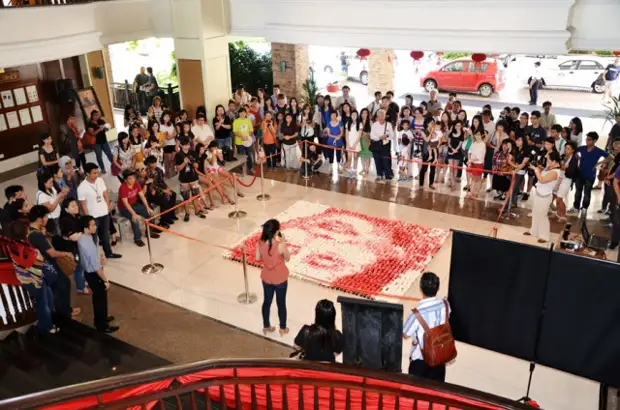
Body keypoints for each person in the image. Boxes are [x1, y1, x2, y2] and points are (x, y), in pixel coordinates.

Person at [28, 205, 75, 321]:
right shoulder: (37, 235)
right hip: (47, 265)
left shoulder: (30, 229)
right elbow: (52, 253)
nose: (47, 219)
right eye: (46, 216)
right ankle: (64, 312)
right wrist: (66, 254)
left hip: (41, 265)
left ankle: (63, 310)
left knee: (58, 286)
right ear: (40, 218)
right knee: (62, 285)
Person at [403, 271, 450, 382]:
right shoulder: (446, 305)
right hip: (439, 359)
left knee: (416, 395)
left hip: (420, 361)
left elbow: (405, 334)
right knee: (435, 394)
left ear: (420, 288)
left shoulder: (416, 314)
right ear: (437, 288)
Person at [77, 215, 119, 333]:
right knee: (100, 299)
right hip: (93, 274)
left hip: (92, 272)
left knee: (100, 298)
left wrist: (101, 256)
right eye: (92, 225)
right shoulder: (86, 243)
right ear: (86, 228)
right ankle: (101, 325)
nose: (95, 227)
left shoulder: (86, 237)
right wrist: (105, 280)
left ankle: (102, 318)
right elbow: (95, 266)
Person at [77, 163, 121, 259]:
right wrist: (88, 220)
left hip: (104, 213)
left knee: (105, 236)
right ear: (87, 173)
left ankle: (108, 253)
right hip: (93, 217)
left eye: (97, 172)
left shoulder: (100, 180)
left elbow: (105, 193)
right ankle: (95, 258)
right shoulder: (82, 187)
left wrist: (108, 204)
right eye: (94, 173)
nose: (96, 175)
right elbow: (83, 206)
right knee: (94, 238)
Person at [255, 219, 290, 337]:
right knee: (281, 303)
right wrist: (283, 242)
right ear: (276, 233)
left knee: (267, 302)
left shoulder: (260, 242)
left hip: (266, 277)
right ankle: (283, 328)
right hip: (280, 277)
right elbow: (288, 258)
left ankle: (266, 326)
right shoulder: (280, 245)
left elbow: (257, 258)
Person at [525, 151, 561, 243]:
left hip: (545, 196)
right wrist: (537, 167)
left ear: (554, 161)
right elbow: (543, 173)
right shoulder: (550, 167)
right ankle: (534, 231)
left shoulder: (555, 172)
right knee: (536, 213)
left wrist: (536, 170)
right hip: (539, 193)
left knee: (542, 216)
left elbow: (542, 180)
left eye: (548, 159)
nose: (547, 161)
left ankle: (544, 236)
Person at [569, 132, 609, 216]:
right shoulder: (582, 148)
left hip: (590, 175)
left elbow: (610, 157)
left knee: (587, 193)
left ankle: (584, 208)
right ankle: (576, 207)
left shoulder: (598, 151)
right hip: (580, 173)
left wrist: (599, 163)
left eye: (589, 139)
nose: (587, 141)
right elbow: (573, 151)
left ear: (595, 140)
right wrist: (578, 158)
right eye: (586, 139)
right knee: (578, 192)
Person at [118, 169, 159, 247]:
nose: (132, 180)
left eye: (133, 177)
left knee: (150, 213)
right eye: (130, 179)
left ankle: (149, 232)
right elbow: (126, 203)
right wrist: (133, 214)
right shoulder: (123, 188)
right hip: (124, 208)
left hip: (134, 204)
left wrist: (147, 208)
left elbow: (142, 196)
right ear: (125, 180)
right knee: (135, 219)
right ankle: (137, 238)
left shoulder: (136, 183)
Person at [175, 138, 208, 222]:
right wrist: (184, 162)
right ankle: (187, 213)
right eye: (185, 145)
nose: (187, 147)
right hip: (184, 179)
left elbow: (197, 166)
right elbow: (178, 168)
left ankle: (197, 211)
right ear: (181, 145)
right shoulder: (178, 155)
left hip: (193, 178)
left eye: (188, 145)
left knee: (196, 196)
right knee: (186, 197)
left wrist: (193, 162)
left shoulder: (193, 153)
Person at [144, 155, 178, 227]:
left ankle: (170, 215)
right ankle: (163, 221)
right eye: (152, 163)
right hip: (150, 192)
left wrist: (167, 188)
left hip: (159, 189)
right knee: (164, 199)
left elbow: (161, 181)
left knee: (173, 194)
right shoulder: (146, 172)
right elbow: (151, 185)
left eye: (155, 163)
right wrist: (164, 191)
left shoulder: (159, 170)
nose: (154, 165)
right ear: (148, 164)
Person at [36, 170, 68, 235]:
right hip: (51, 220)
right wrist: (59, 197)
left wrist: (63, 195)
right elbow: (50, 209)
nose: (52, 184)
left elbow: (57, 202)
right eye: (50, 182)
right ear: (44, 183)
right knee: (57, 235)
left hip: (58, 215)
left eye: (52, 182)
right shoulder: (41, 195)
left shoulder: (51, 188)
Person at [554, 141, 579, 222]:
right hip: (559, 177)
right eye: (565, 148)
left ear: (573, 150)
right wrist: (562, 167)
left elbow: (571, 172)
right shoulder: (563, 156)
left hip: (567, 179)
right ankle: (558, 213)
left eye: (568, 148)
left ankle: (563, 216)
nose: (566, 150)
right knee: (556, 196)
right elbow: (558, 166)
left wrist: (565, 168)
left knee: (559, 198)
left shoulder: (574, 159)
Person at [370, 109, 395, 182]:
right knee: (377, 160)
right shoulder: (374, 125)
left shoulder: (388, 124)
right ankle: (379, 175)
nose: (381, 117)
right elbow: (372, 136)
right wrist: (379, 137)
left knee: (385, 161)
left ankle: (387, 176)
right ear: (377, 117)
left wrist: (386, 137)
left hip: (385, 145)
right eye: (379, 116)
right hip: (376, 145)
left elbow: (392, 136)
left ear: (385, 116)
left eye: (382, 116)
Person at [233, 107, 255, 174]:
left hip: (247, 141)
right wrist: (242, 136)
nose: (242, 114)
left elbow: (251, 130)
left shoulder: (248, 121)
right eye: (241, 112)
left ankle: (250, 168)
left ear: (246, 113)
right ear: (239, 113)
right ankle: (243, 169)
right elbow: (235, 132)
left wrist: (247, 136)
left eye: (243, 112)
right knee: (242, 156)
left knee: (249, 154)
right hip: (239, 142)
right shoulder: (236, 121)